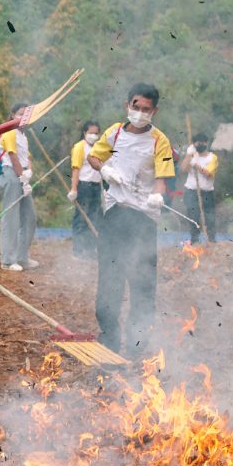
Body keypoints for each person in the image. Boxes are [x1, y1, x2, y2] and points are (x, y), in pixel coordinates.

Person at [86, 83, 175, 356]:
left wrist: (157, 195)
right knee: (110, 280)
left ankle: (137, 349)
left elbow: (162, 177)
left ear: (154, 111)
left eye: (146, 109)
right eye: (136, 106)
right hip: (114, 215)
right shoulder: (114, 133)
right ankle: (109, 342)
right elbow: (93, 157)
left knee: (142, 284)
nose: (140, 113)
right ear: (128, 105)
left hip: (143, 219)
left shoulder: (160, 140)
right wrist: (105, 170)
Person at [0, 103, 38, 271]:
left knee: (30, 217)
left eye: (26, 114)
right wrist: (22, 178)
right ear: (13, 114)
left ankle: (22, 257)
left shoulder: (23, 135)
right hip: (12, 175)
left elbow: (26, 157)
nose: (23, 117)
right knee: (11, 218)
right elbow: (13, 156)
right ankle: (8, 260)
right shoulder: (9, 131)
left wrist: (29, 173)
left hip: (23, 175)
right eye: (20, 114)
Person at [67, 120, 102, 259]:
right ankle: (78, 251)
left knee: (93, 218)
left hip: (96, 186)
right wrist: (74, 189)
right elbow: (76, 169)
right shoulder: (79, 147)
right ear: (84, 133)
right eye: (91, 133)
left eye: (96, 133)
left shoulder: (99, 147)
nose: (94, 136)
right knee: (81, 218)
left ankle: (90, 250)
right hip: (84, 186)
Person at [181, 132, 218, 244]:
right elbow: (183, 169)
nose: (199, 144)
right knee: (193, 216)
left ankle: (211, 240)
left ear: (206, 143)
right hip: (191, 191)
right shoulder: (192, 156)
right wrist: (189, 155)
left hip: (207, 192)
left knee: (209, 217)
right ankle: (194, 240)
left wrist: (195, 164)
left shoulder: (212, 157)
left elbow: (208, 173)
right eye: (196, 142)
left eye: (201, 142)